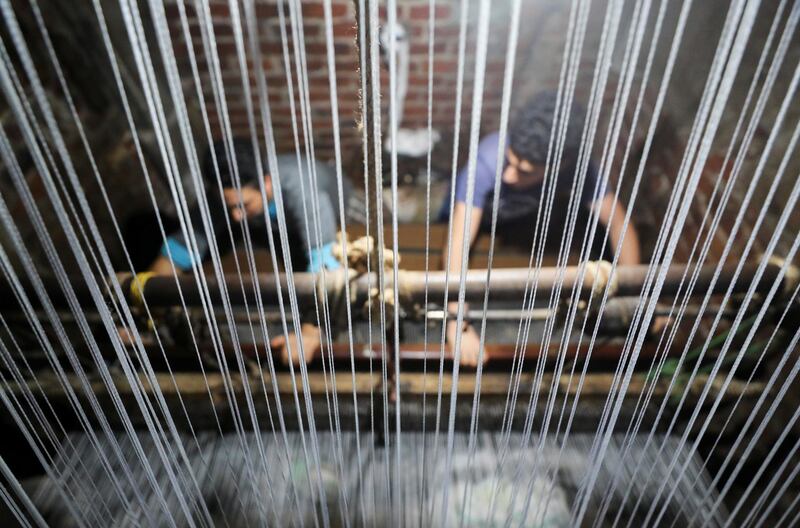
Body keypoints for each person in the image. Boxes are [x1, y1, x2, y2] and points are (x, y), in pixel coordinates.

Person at [440, 92, 641, 367]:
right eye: (510, 161)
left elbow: (619, 223)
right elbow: (459, 239)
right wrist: (457, 324)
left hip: (519, 218)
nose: (510, 175)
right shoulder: (487, 161)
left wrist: (634, 297)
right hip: (473, 211)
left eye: (525, 170)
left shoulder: (580, 170)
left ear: (561, 165)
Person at [149, 138, 351, 365]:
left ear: (266, 183)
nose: (236, 215)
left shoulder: (304, 192)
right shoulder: (227, 198)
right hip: (268, 222)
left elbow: (327, 269)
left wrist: (309, 335)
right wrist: (142, 312)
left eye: (242, 205)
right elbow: (175, 253)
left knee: (313, 273)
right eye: (229, 206)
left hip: (330, 205)